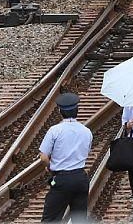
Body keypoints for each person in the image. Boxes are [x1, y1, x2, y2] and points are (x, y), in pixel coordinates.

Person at [39, 92, 92, 222]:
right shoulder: (86, 131)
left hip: (62, 180)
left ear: (60, 111)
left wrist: (50, 167)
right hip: (80, 178)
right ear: (77, 110)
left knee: (50, 219)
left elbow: (43, 157)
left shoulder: (55, 130)